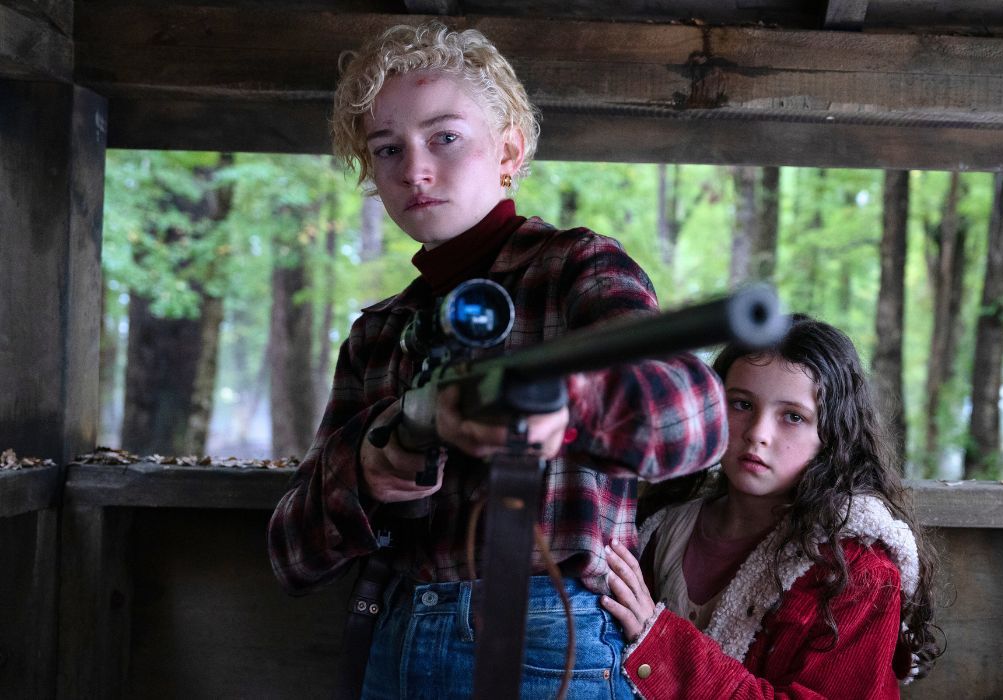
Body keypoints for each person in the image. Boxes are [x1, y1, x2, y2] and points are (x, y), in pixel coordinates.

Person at [266, 21, 726, 699]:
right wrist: (366, 469)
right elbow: (290, 554)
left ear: (509, 149)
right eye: (387, 149)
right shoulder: (380, 331)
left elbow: (697, 420)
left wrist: (571, 407)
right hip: (394, 631)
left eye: (444, 137)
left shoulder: (577, 267)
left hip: (549, 633)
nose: (415, 170)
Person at [601, 315, 943, 698]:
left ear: (830, 437)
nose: (758, 434)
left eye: (793, 416)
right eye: (742, 404)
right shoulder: (658, 530)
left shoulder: (857, 569)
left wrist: (659, 640)